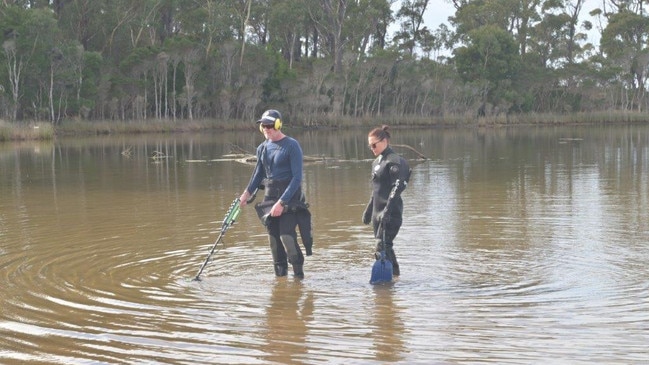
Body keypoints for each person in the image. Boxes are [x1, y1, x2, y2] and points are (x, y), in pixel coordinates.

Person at [239, 109, 310, 278]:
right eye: (264, 126)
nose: (267, 129)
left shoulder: (292, 145)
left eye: (270, 125)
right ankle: (281, 277)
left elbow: (297, 178)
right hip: (270, 197)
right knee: (274, 242)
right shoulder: (262, 148)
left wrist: (282, 202)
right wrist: (246, 194)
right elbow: (257, 175)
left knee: (286, 237)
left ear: (278, 125)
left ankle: (299, 278)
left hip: (290, 198)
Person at [362, 125, 411, 276]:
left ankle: (388, 286)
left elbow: (396, 189)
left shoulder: (395, 161)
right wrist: (369, 210)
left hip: (391, 213)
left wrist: (387, 211)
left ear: (384, 141)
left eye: (374, 145)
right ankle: (395, 277)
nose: (372, 148)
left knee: (381, 246)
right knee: (385, 247)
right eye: (370, 146)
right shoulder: (376, 163)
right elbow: (376, 191)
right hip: (377, 213)